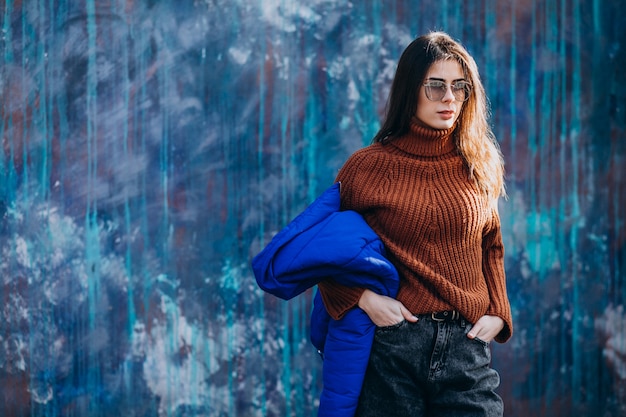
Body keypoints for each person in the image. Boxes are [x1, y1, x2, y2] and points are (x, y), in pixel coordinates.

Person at [317, 31, 513, 417]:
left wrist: (499, 314)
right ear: (410, 89)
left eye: (460, 87)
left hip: (465, 347)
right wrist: (363, 299)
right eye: (435, 86)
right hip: (393, 347)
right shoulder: (367, 166)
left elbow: (490, 245)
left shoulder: (479, 163)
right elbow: (320, 251)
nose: (449, 98)